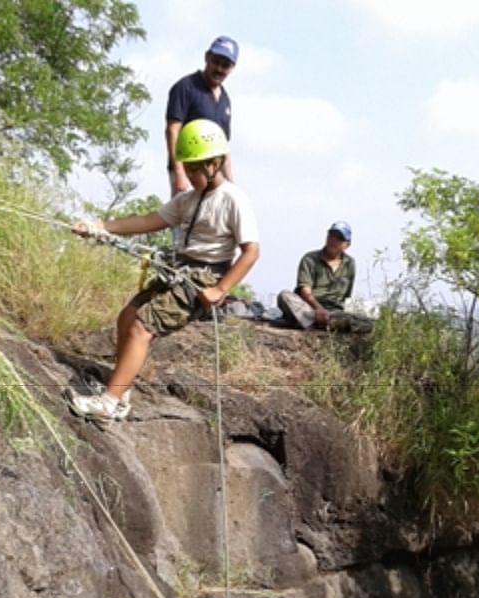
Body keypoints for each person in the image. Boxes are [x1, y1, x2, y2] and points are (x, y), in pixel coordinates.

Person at [68, 119, 260, 422]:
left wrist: (221, 290)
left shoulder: (233, 199)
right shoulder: (188, 200)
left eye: (198, 168)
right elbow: (147, 221)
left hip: (203, 278)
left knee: (142, 327)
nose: (192, 175)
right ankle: (121, 391)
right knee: (128, 317)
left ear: (216, 163)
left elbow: (251, 251)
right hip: (180, 270)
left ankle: (109, 401)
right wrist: (99, 227)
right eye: (189, 168)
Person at [165, 35, 238, 196]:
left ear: (232, 68)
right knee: (185, 219)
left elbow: (223, 145)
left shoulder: (225, 100)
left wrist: (231, 183)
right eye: (216, 62)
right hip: (189, 172)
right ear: (207, 57)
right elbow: (173, 130)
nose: (219, 68)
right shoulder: (186, 87)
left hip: (214, 177)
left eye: (225, 65)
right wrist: (179, 173)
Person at [277, 221, 357, 330]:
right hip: (309, 307)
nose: (333, 240)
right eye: (331, 235)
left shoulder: (350, 264)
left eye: (339, 238)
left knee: (361, 321)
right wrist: (318, 310)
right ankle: (317, 322)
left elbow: (345, 296)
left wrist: (329, 313)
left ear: (347, 244)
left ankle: (319, 322)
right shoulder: (310, 259)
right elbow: (305, 291)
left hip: (333, 312)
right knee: (284, 296)